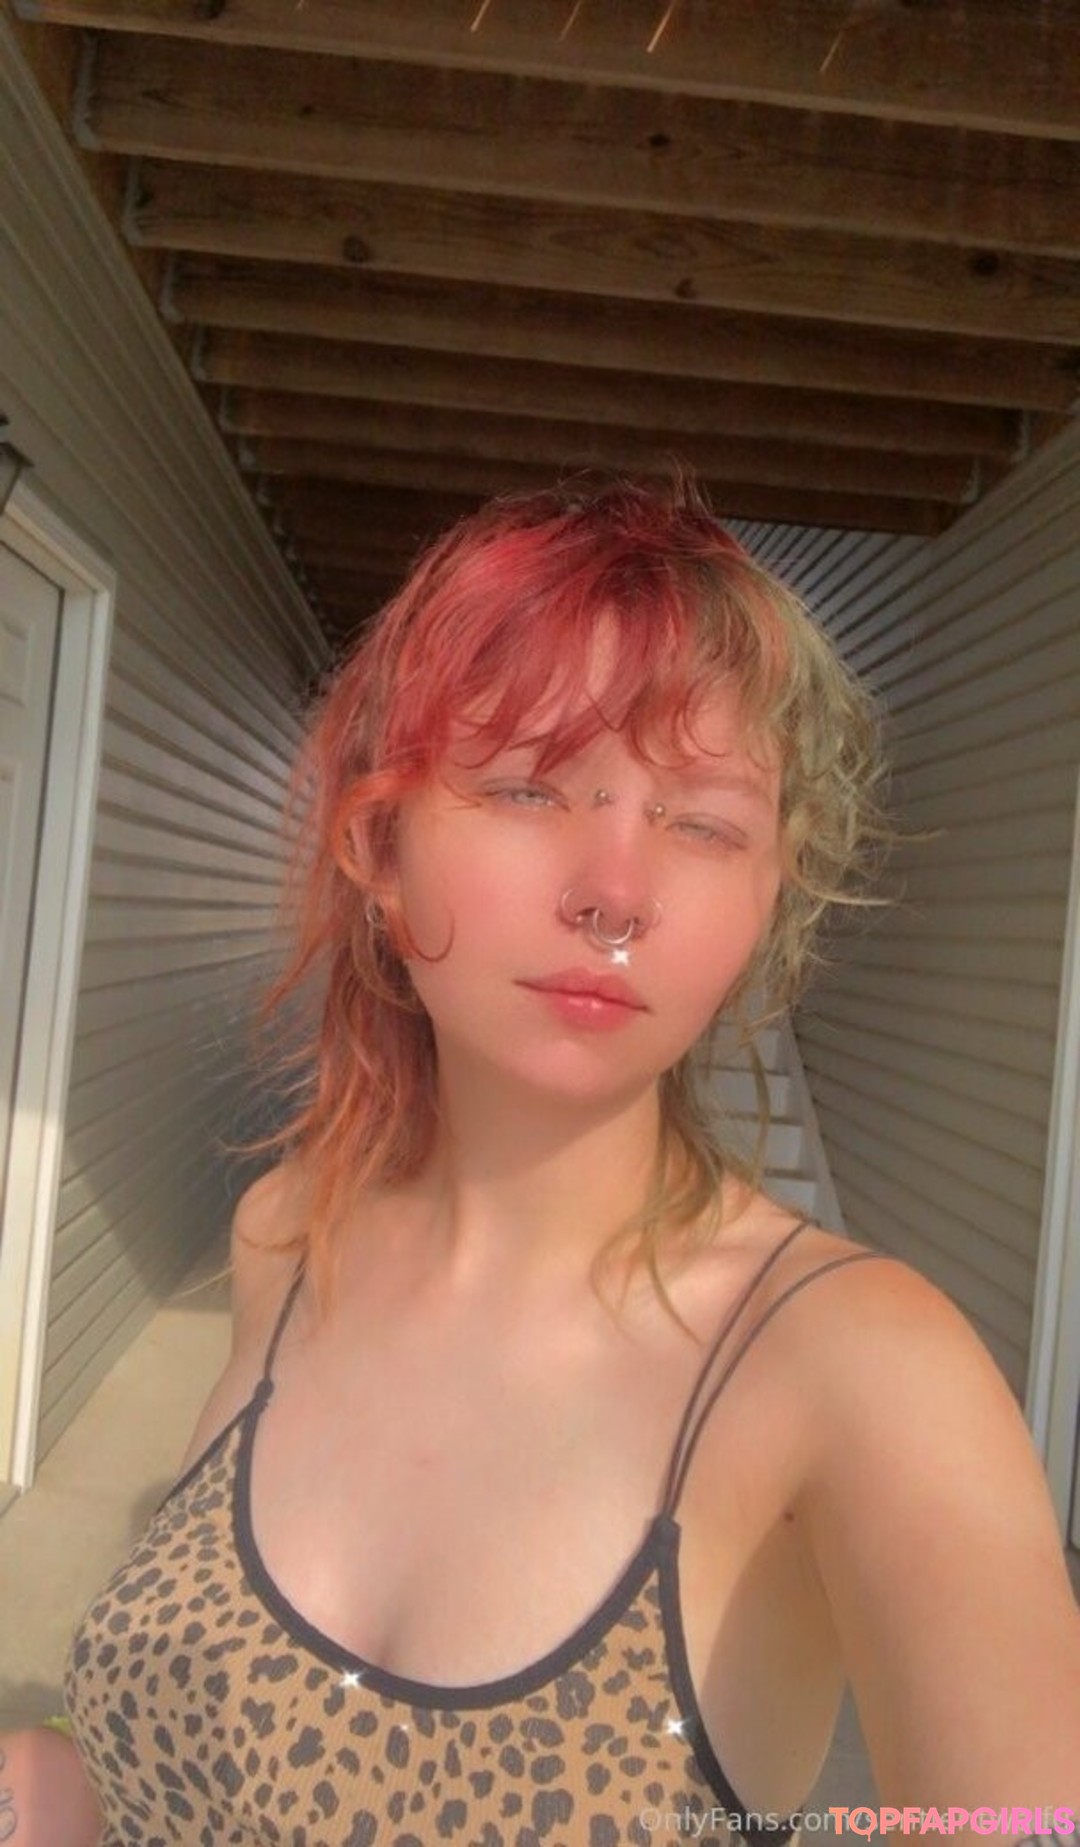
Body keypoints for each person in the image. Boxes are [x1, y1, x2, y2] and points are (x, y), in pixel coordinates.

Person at [2, 480, 1078, 1847]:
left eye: (702, 823)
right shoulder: (286, 1237)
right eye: (526, 785)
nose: (615, 892)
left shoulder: (862, 1372)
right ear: (379, 846)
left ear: (768, 894)